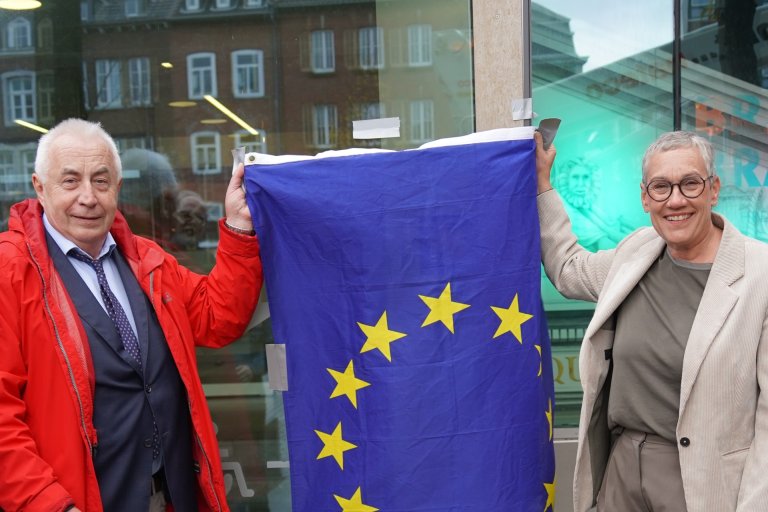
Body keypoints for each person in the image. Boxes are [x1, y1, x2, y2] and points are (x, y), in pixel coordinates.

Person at [0, 118, 263, 512]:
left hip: (169, 496)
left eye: (101, 181)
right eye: (70, 181)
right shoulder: (10, 273)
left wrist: (239, 227)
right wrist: (50, 504)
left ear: (117, 188)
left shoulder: (147, 260)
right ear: (40, 187)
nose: (88, 196)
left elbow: (218, 316)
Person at [535, 129, 768, 511]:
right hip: (621, 471)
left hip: (703, 484)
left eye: (690, 183)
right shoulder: (637, 252)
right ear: (645, 198)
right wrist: (542, 184)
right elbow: (569, 270)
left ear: (713, 190)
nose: (675, 200)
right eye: (661, 187)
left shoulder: (760, 272)